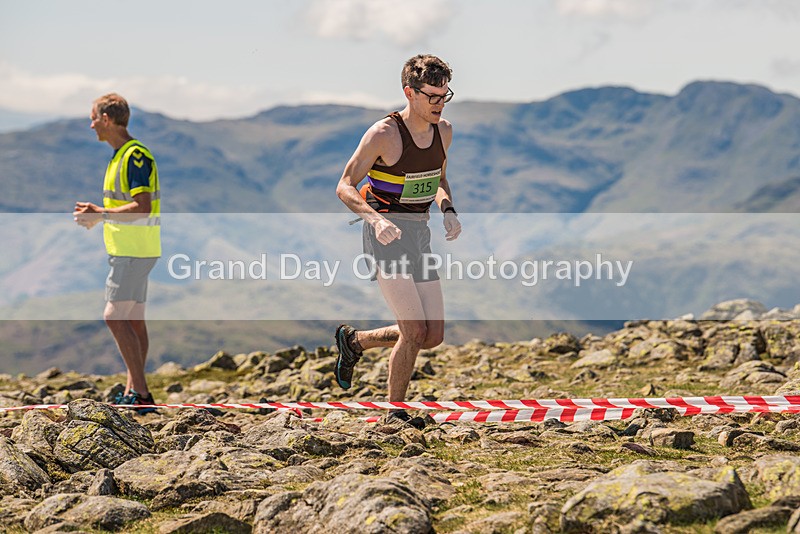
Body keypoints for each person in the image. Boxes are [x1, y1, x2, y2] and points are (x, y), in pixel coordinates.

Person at [335, 54, 461, 426]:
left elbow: (437, 179)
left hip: (419, 233)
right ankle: (396, 414)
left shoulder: (445, 132)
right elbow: (344, 185)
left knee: (432, 335)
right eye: (433, 96)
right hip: (386, 235)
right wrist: (374, 220)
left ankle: (355, 341)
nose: (440, 103)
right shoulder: (383, 135)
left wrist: (448, 210)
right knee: (413, 331)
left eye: (445, 96)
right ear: (410, 92)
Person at [73, 93, 161, 414]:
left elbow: (142, 206)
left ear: (107, 120)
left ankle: (140, 392)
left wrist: (100, 213)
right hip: (135, 249)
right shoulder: (122, 155)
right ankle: (133, 390)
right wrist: (99, 215)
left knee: (114, 316)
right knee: (133, 320)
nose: (91, 124)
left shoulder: (134, 156)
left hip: (132, 251)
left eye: (94, 118)